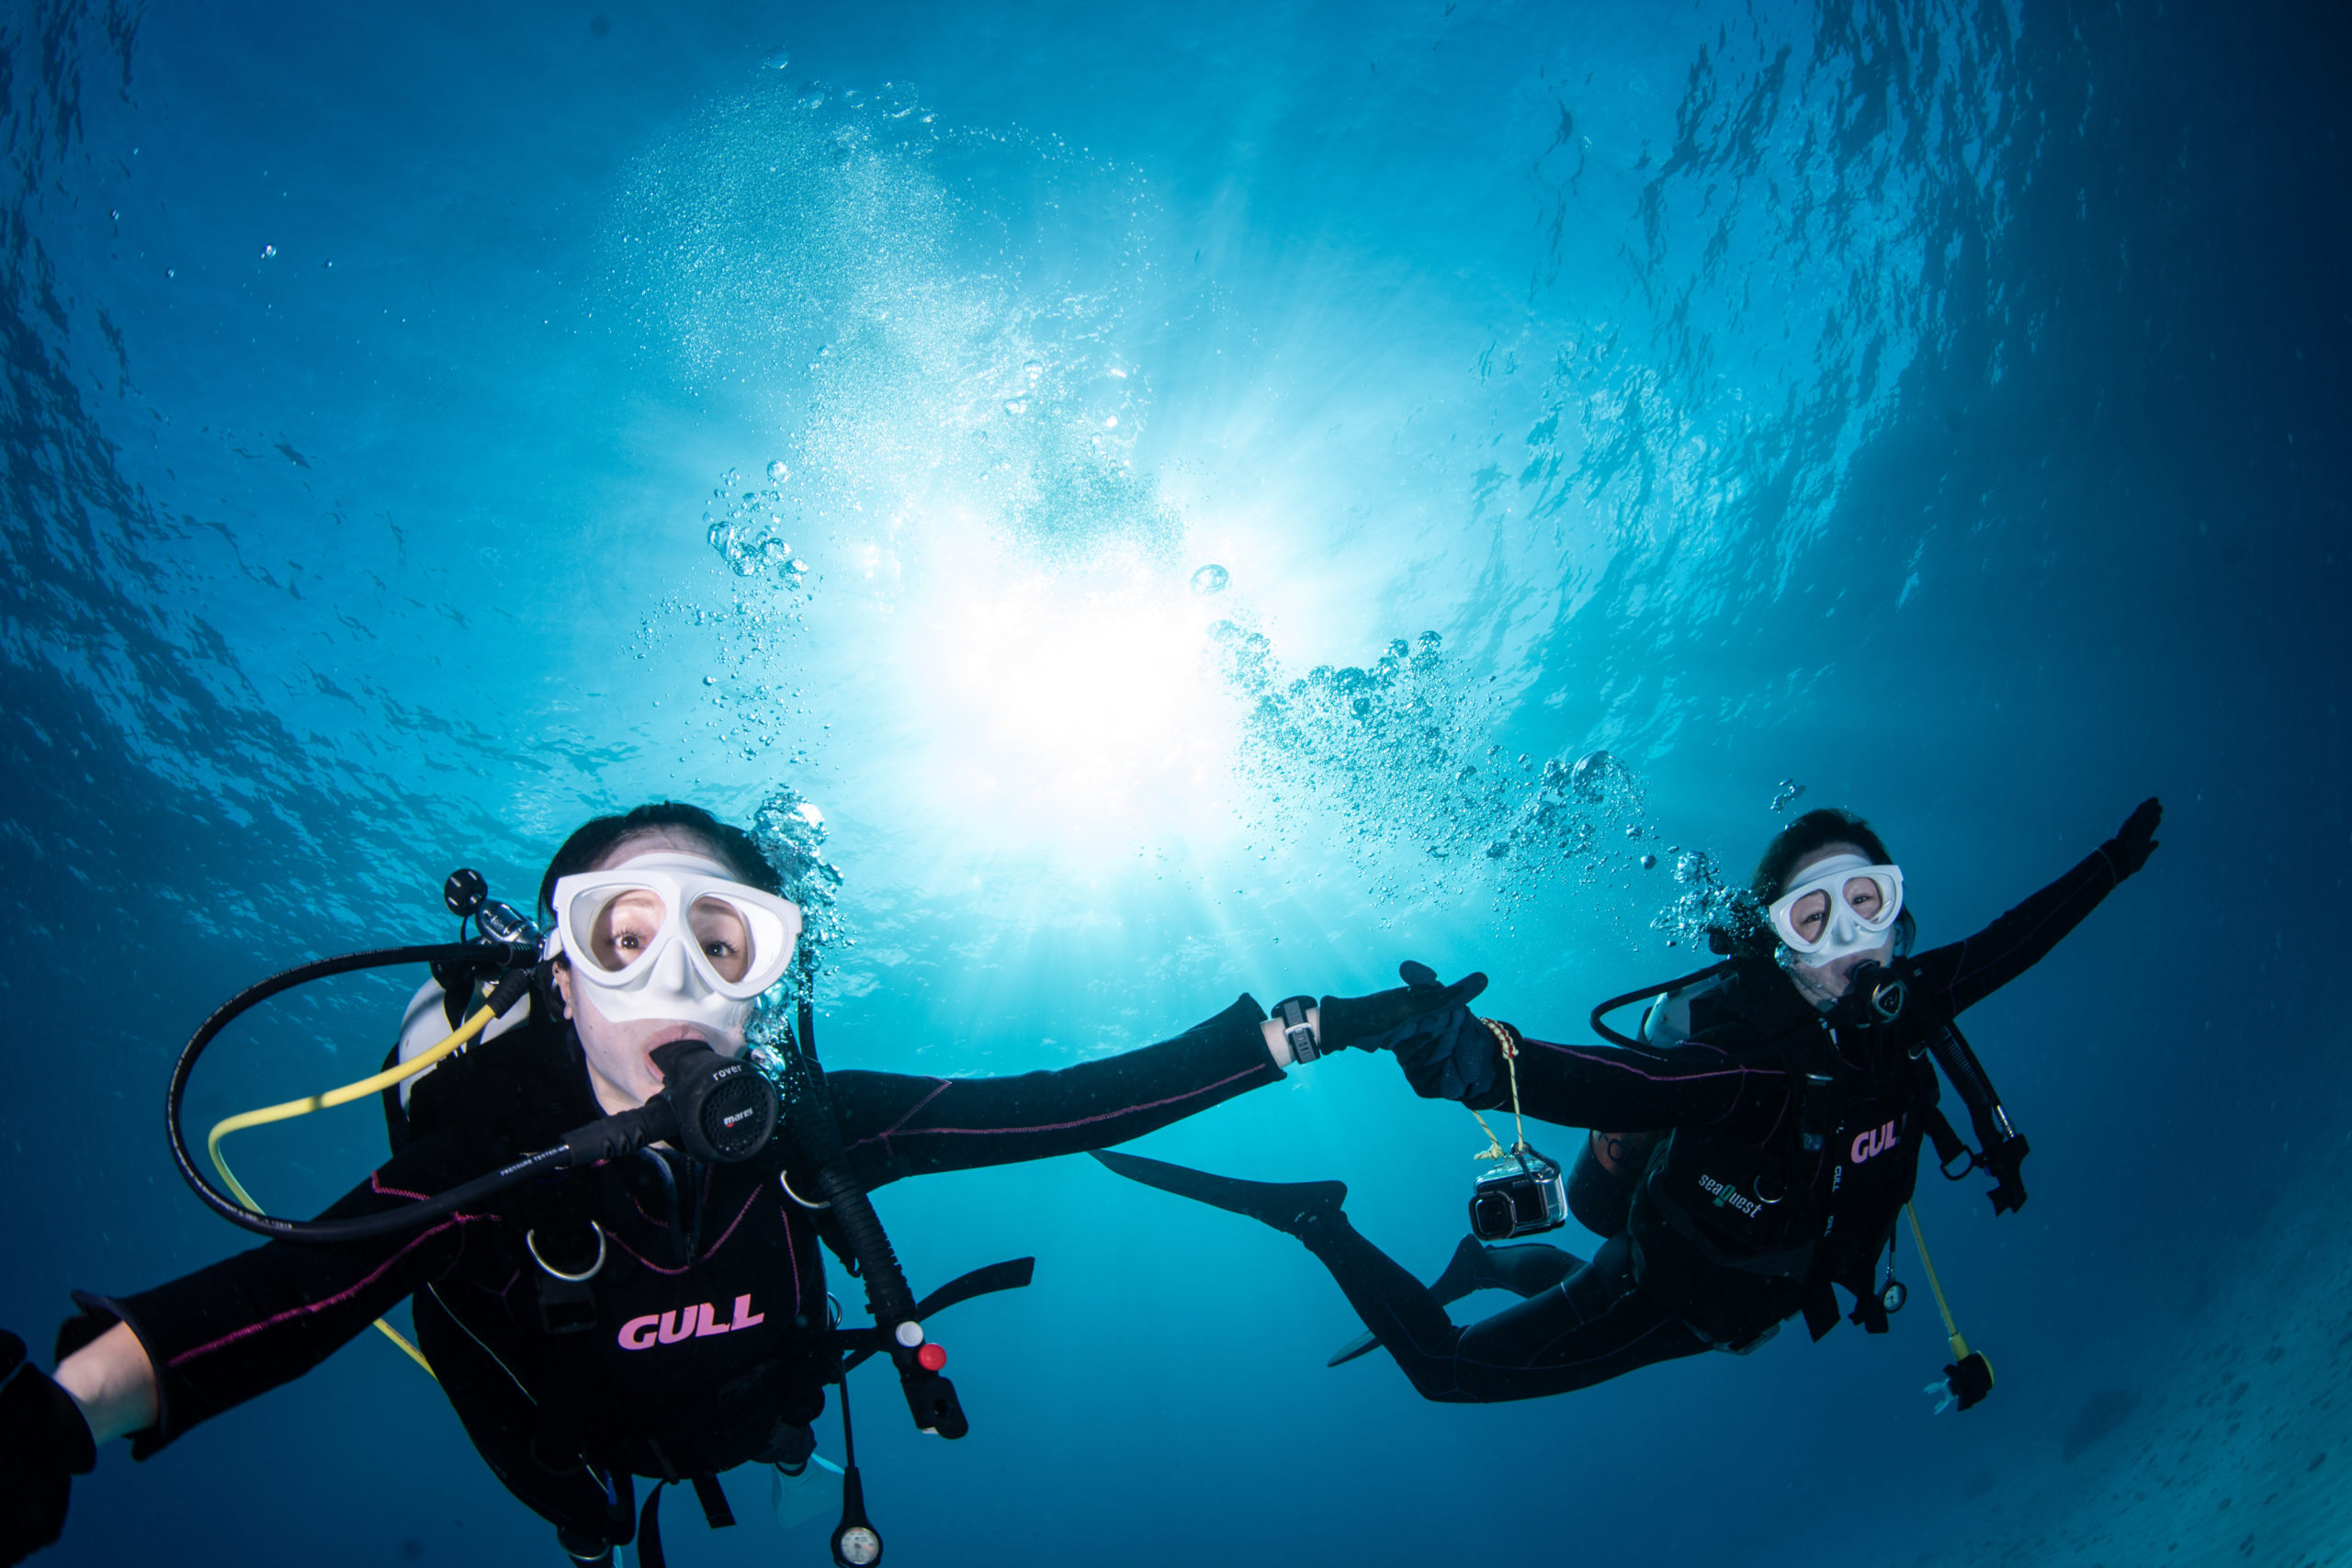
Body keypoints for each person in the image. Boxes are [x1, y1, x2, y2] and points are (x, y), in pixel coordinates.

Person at [0, 802, 1483, 1566]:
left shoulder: (805, 1123)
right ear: (556, 969)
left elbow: (1073, 1099)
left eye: (729, 944)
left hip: (758, 1398)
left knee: (784, 1446)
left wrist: (1324, 1026)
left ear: (769, 981)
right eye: (626, 933)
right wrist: (54, 1417)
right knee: (575, 1508)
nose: (680, 980)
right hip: (567, 1435)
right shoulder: (479, 1157)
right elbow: (297, 1287)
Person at [1094, 798, 2162, 1405]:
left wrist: (2111, 866)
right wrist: (1473, 1055)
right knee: (1446, 1375)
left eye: (1866, 903)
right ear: (1775, 941)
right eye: (1811, 915)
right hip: (1664, 1293)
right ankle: (1316, 1216)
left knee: (1556, 1279)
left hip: (1742, 1300)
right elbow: (1627, 1082)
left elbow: (2009, 945)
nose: (1845, 939)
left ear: (1897, 915)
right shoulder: (1756, 1067)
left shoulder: (1911, 1008)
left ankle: (1485, 1263)